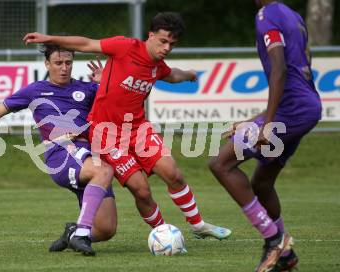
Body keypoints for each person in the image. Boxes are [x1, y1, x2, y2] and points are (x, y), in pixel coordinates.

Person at [24, 12, 232, 255]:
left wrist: (188, 75)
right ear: (150, 36)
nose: (166, 48)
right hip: (106, 134)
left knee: (173, 172)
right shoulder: (125, 47)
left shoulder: (157, 65)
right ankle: (163, 234)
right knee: (141, 190)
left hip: (138, 129)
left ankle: (198, 225)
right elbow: (86, 43)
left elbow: (171, 74)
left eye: (172, 45)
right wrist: (47, 38)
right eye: (163, 41)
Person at [0, 45, 117, 256]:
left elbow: (123, 103)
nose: (64, 68)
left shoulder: (87, 89)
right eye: (58, 63)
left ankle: (73, 233)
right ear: (47, 64)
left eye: (68, 63)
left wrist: (106, 84)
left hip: (88, 155)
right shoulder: (34, 91)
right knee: (103, 171)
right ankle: (81, 235)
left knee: (106, 229)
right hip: (61, 153)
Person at [208, 1, 322, 271]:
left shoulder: (266, 15)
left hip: (291, 111)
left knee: (221, 163)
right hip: (305, 107)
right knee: (262, 182)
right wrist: (255, 120)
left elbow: (280, 68)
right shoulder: (293, 16)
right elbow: (304, 62)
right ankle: (285, 253)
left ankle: (274, 241)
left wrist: (267, 124)